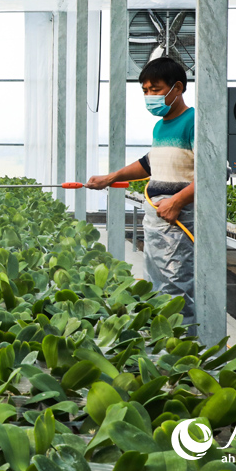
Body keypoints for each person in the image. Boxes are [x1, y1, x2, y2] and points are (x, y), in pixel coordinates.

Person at [86, 57, 196, 329]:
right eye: (145, 91)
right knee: (157, 283)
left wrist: (177, 201)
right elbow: (150, 163)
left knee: (176, 286)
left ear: (177, 88)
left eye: (155, 89)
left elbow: (216, 171)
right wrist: (110, 178)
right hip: (159, 221)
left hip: (179, 220)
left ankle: (183, 347)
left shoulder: (194, 121)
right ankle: (163, 340)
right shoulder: (161, 126)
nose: (149, 96)